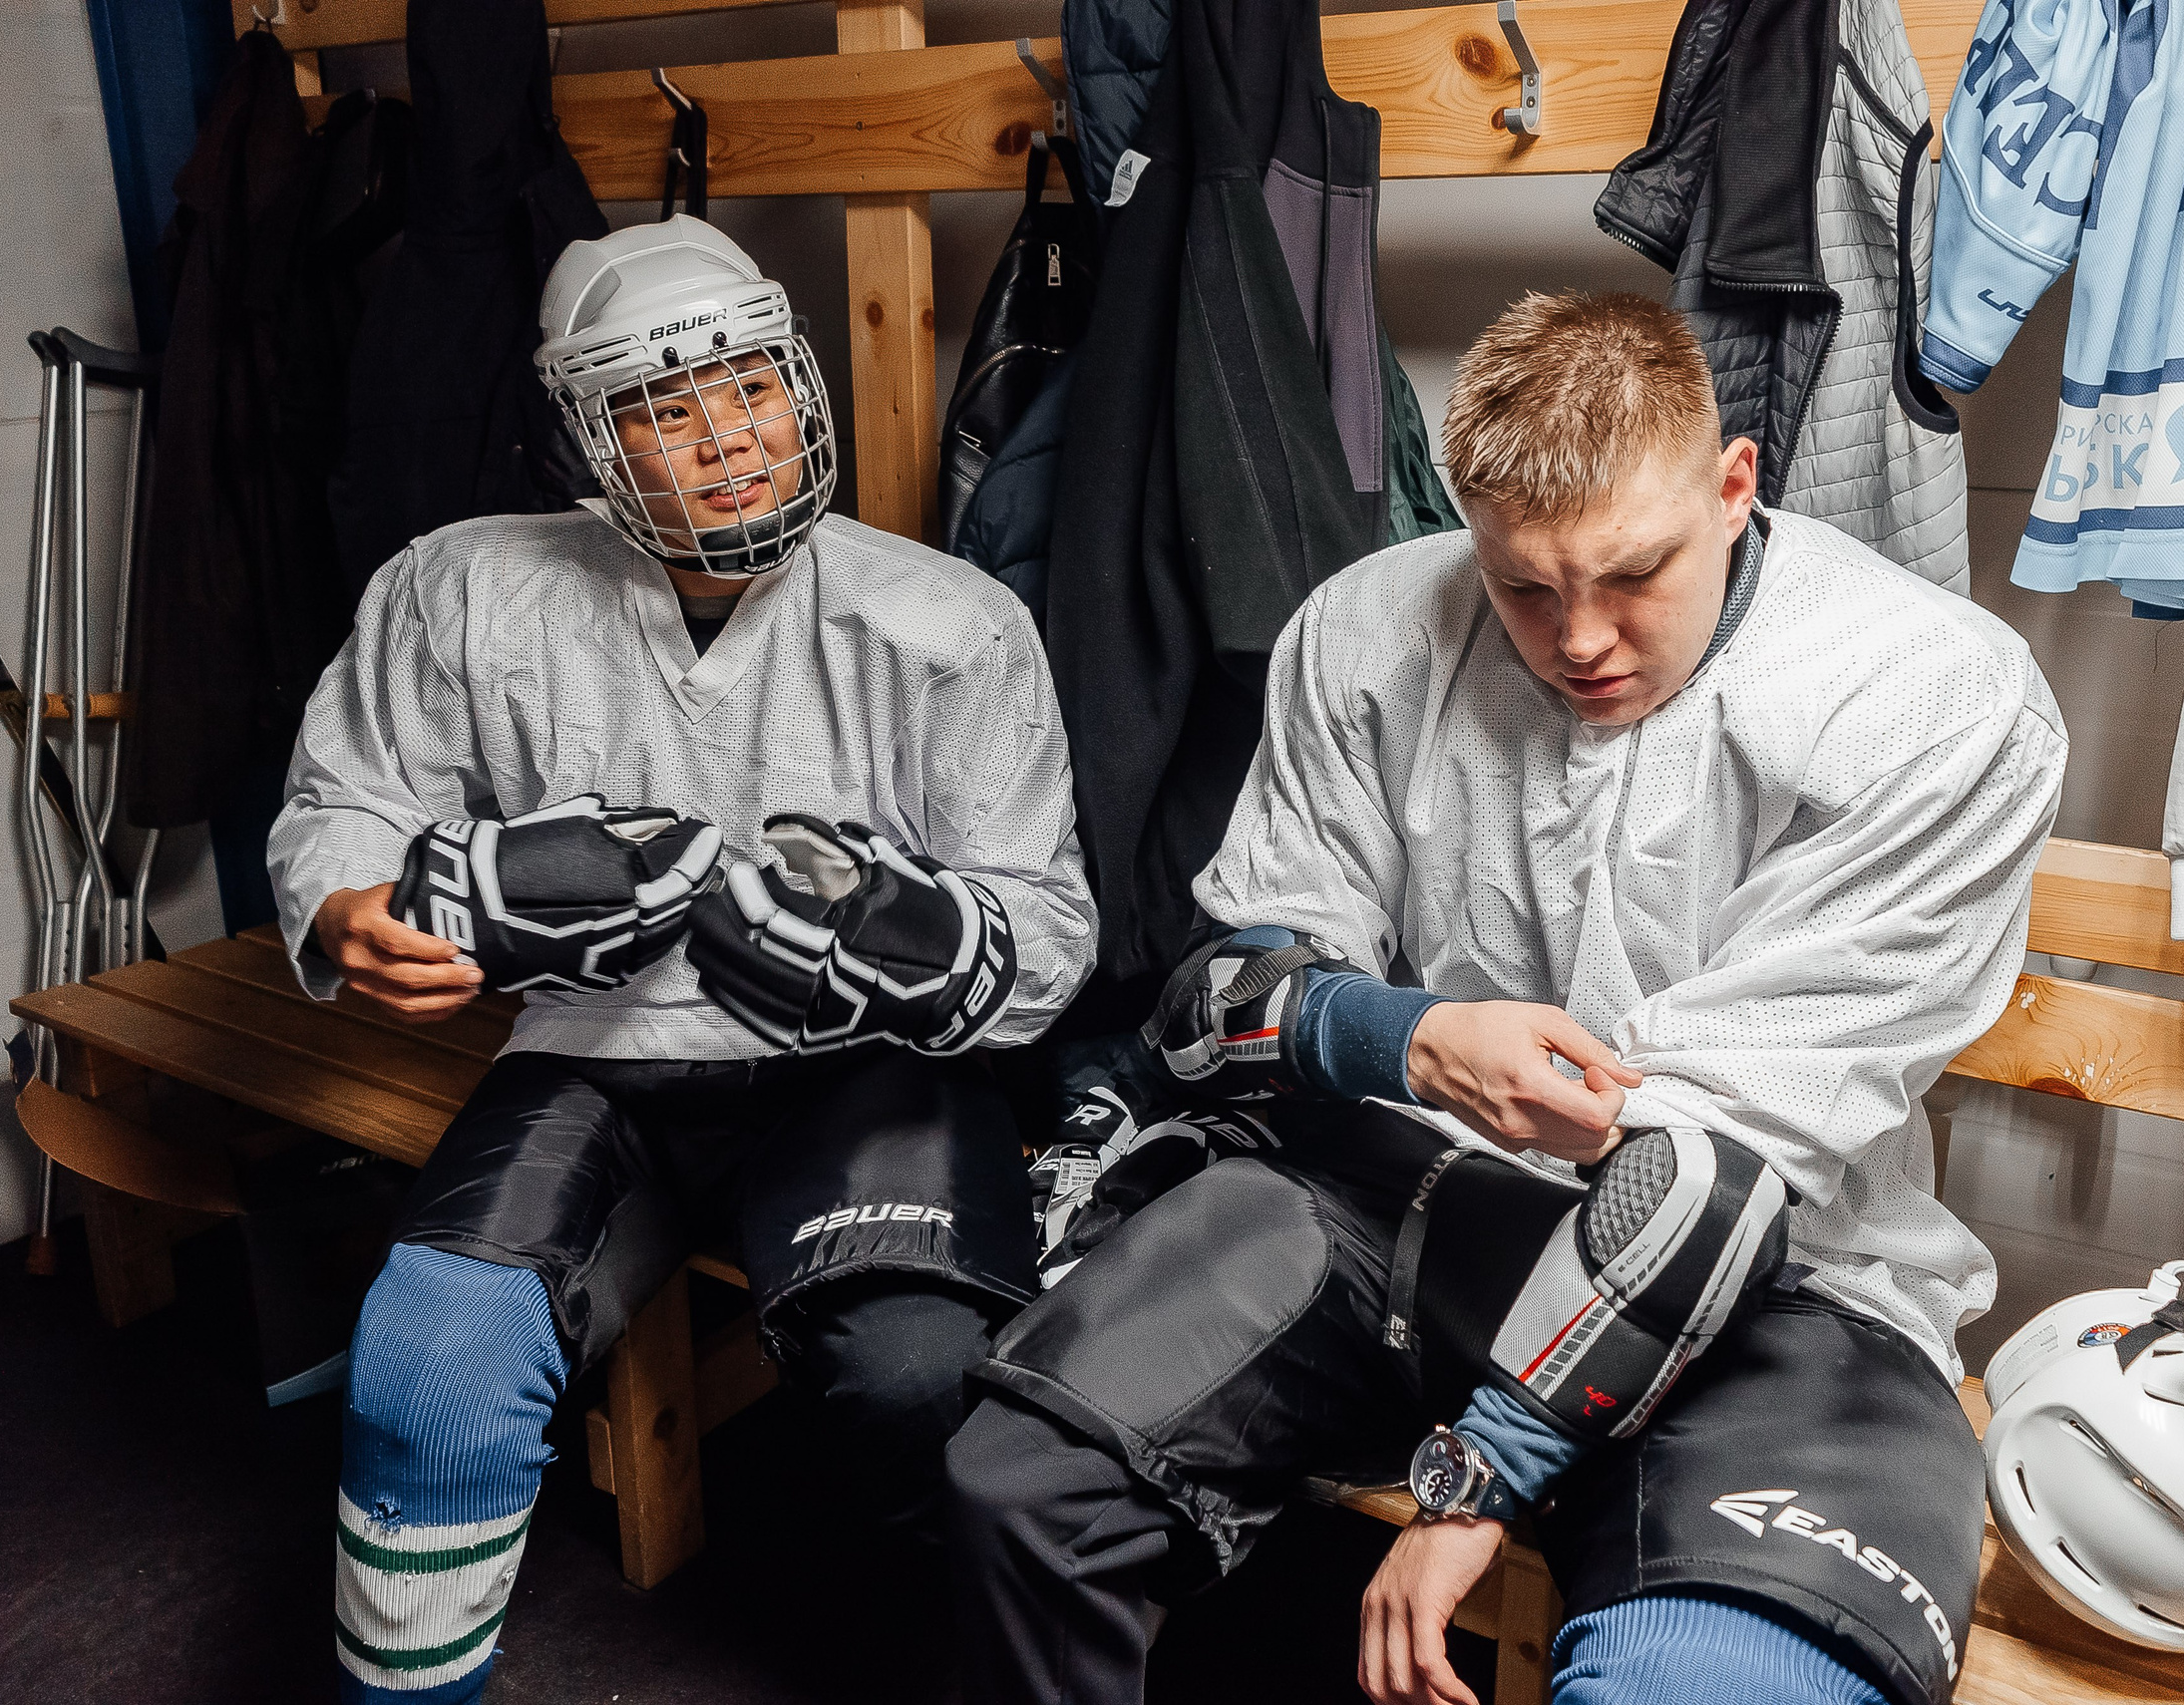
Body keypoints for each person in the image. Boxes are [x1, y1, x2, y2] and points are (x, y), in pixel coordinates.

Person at [942, 292, 2067, 1705]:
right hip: (1395, 1206)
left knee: (1700, 1689)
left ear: (1733, 485)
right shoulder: (1368, 626)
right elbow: (1213, 1005)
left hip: (1783, 1287)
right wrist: (1405, 1038)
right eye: (1525, 585)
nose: (1579, 636)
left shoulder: (1932, 696)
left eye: (1632, 575)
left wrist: (1474, 1484)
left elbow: (1709, 1187)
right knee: (1018, 1472)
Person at [267, 216, 1096, 1704]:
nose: (727, 439)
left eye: (752, 386)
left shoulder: (951, 625)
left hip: (860, 1074)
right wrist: (347, 910)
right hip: (601, 1055)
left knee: (925, 1389)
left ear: (802, 384)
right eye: (663, 406)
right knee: (428, 1372)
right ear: (587, 430)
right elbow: (350, 798)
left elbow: (1045, 938)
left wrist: (918, 939)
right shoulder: (462, 589)